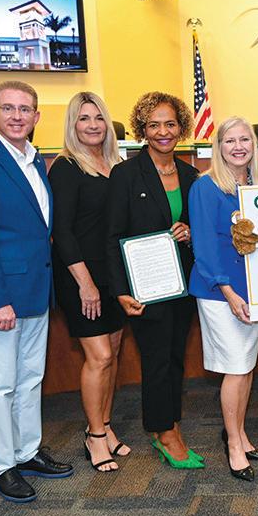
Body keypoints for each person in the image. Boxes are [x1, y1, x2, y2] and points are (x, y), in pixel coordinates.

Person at [0, 81, 73, 503]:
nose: (17, 116)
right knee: (0, 385)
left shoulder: (35, 160)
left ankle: (27, 452)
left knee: (30, 378)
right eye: (8, 108)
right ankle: (3, 466)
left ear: (37, 116)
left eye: (25, 109)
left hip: (35, 290)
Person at [106, 91, 202, 469]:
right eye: (154, 125)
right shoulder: (126, 174)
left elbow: (199, 226)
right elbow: (112, 235)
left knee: (175, 355)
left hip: (183, 284)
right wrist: (120, 290)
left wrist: (189, 232)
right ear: (142, 130)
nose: (163, 132)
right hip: (145, 287)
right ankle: (164, 433)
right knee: (157, 358)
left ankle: (170, 421)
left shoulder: (191, 175)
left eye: (170, 124)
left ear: (181, 128)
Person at [49, 92, 129, 472]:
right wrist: (86, 283)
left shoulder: (117, 164)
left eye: (98, 117)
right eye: (84, 118)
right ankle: (94, 436)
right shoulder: (66, 167)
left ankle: (106, 425)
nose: (93, 125)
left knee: (113, 351)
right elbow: (62, 232)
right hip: (80, 275)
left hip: (115, 273)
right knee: (99, 357)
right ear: (73, 125)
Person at [189, 117, 258, 481]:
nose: (238, 147)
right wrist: (229, 293)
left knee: (246, 366)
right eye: (230, 141)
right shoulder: (205, 187)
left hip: (254, 289)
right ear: (218, 147)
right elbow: (204, 247)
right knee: (235, 368)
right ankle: (234, 444)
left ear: (253, 144)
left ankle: (241, 434)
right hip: (220, 293)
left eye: (244, 140)